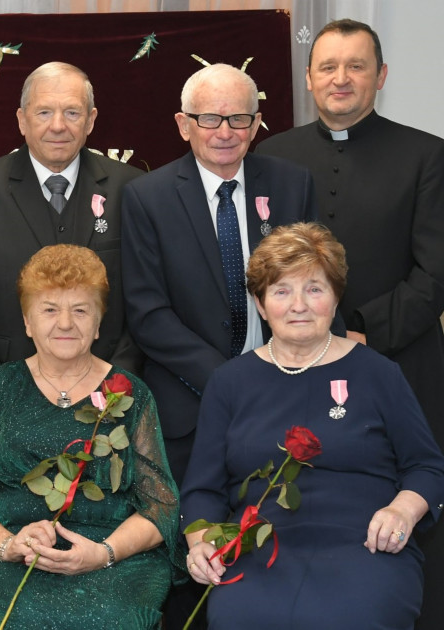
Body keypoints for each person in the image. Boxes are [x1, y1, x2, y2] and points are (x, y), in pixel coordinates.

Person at [256, 20, 444, 628]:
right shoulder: (271, 158)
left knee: (419, 499)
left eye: (356, 66)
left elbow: (440, 270)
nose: (341, 78)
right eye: (328, 66)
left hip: (405, 359)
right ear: (308, 78)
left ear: (381, 76)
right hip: (296, 367)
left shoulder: (425, 154)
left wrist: (362, 333)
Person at [180, 223, 444, 629]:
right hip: (259, 549)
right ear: (260, 304)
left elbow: (427, 468)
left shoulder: (380, 374)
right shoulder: (229, 382)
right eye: (281, 291)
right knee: (239, 616)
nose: (298, 305)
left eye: (314, 289)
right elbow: (202, 488)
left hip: (365, 546)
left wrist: (402, 511)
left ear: (336, 298)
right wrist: (200, 544)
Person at [0, 245, 181, 630]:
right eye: (50, 309)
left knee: (112, 618)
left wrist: (104, 553)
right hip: (11, 556)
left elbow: (161, 506)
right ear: (27, 322)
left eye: (81, 310)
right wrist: (9, 545)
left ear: (99, 323)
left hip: (115, 559)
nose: (66, 323)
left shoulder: (131, 394)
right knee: (24, 616)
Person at [120, 63, 317, 484]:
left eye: (239, 119)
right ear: (183, 125)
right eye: (209, 118)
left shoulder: (292, 184)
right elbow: (147, 312)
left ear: (257, 124)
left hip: (286, 395)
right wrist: (230, 380)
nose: (224, 132)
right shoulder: (147, 198)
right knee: (195, 521)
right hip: (188, 408)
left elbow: (317, 289)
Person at [0, 61, 144, 399]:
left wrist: (113, 390)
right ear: (22, 120)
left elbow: (143, 300)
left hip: (107, 394)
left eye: (72, 113)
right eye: (44, 112)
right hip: (5, 390)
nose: (58, 126)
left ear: (91, 120)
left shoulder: (130, 188)